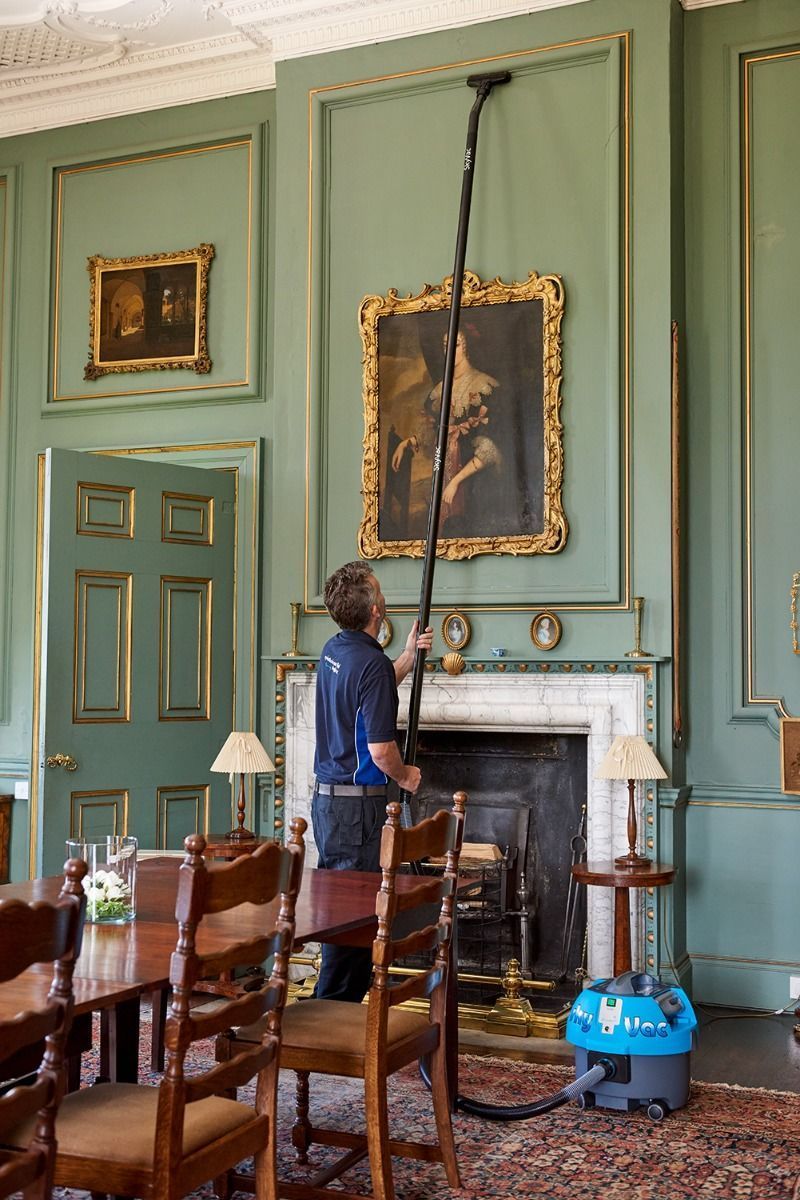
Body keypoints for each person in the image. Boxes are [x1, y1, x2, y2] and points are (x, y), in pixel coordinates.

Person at [312, 560, 433, 1002]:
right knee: (357, 921)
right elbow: (382, 752)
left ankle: (336, 1015)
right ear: (376, 610)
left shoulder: (334, 651)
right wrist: (408, 775)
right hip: (360, 810)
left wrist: (406, 656)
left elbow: (373, 691)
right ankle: (327, 1024)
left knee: (340, 915)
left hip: (328, 805)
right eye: (380, 594)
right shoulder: (371, 666)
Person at [391, 328, 502, 537]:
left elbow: (490, 446)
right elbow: (435, 430)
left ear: (467, 348)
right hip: (443, 469)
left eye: (456, 345)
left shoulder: (486, 386)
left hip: (471, 479)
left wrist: (456, 481)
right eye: (445, 346)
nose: (450, 350)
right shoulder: (440, 391)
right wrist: (406, 442)